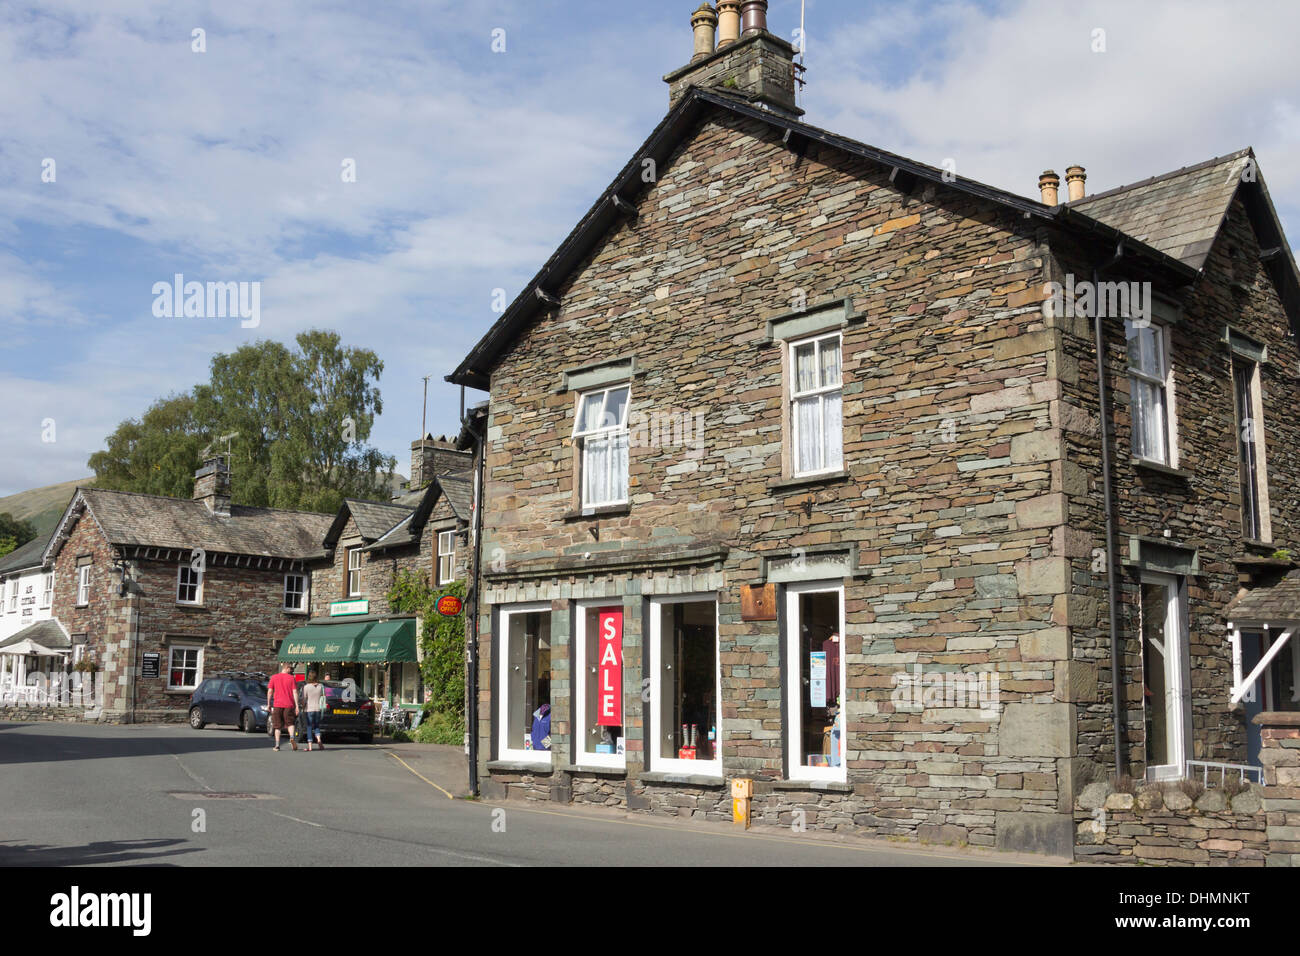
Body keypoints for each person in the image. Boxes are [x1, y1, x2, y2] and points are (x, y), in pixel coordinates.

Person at [266, 662, 300, 751]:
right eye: (291, 669)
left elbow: (269, 691)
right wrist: (297, 706)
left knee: (277, 726)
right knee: (290, 723)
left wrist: (269, 704)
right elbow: (295, 692)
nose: (291, 671)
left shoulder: (274, 677)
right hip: (289, 705)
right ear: (287, 668)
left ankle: (277, 745)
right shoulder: (291, 678)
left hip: (277, 704)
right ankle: (292, 737)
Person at [301, 670, 326, 752]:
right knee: (316, 726)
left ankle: (310, 746)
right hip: (318, 709)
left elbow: (304, 699)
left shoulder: (306, 687)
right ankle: (318, 740)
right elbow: (323, 697)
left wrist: (303, 707)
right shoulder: (320, 686)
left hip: (309, 709)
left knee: (309, 727)